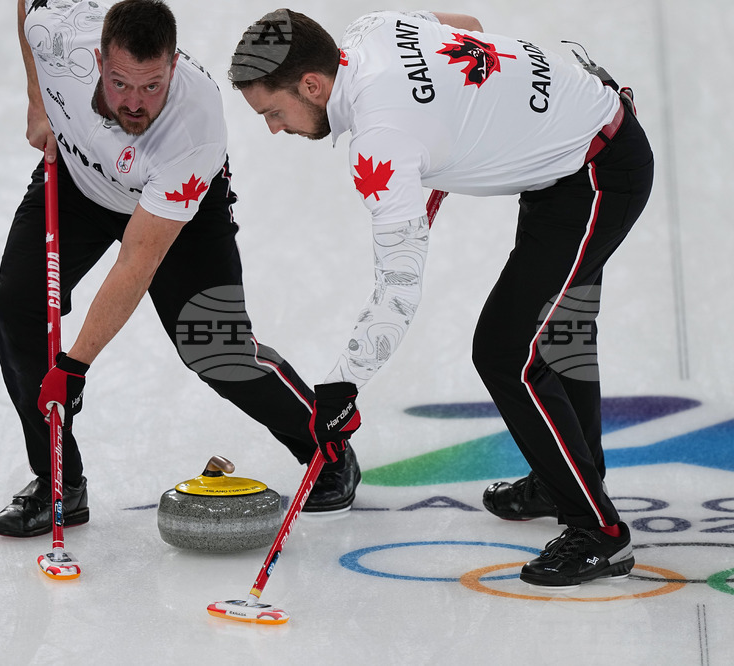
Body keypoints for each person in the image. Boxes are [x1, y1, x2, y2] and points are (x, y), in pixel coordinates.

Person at [228, 9, 653, 587]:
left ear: (312, 84)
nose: (274, 128)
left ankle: (599, 532)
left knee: (507, 351)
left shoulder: (381, 141)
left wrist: (341, 384)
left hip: (599, 171)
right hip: (565, 158)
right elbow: (467, 24)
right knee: (553, 330)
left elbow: (399, 288)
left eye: (273, 112)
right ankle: (567, 480)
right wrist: (446, 130)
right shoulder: (370, 28)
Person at [0, 0, 364, 539]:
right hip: (78, 181)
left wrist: (74, 366)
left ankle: (324, 448)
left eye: (152, 86)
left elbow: (137, 261)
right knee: (16, 309)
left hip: (177, 210)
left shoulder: (195, 125)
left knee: (214, 346)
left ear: (173, 66)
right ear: (96, 59)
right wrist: (37, 100)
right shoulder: (56, 33)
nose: (133, 104)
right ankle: (58, 482)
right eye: (119, 83)